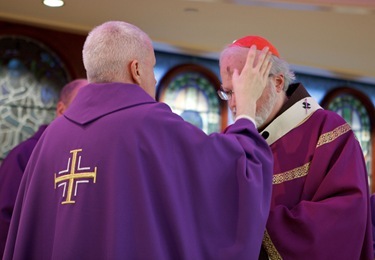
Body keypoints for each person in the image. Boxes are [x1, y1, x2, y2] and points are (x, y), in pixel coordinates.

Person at [3, 21, 274, 260]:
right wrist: (247, 106)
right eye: (153, 68)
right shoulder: (151, 124)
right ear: (136, 70)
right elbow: (235, 172)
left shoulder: (52, 137)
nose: (154, 78)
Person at [218, 35, 373, 259]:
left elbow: (343, 219)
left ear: (278, 82)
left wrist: (252, 226)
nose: (235, 103)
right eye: (229, 92)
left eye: (247, 89)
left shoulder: (328, 131)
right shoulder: (230, 141)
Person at [0, 78, 87, 258]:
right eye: (83, 106)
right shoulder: (25, 155)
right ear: (61, 110)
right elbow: (5, 221)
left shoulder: (91, 155)